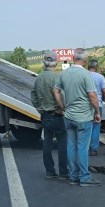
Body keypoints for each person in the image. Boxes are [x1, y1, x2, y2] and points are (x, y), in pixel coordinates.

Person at [53, 48, 102, 187]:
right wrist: (97, 112)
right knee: (82, 148)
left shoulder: (64, 73)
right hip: (84, 117)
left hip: (68, 116)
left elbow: (56, 90)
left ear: (73, 58)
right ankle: (84, 178)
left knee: (71, 146)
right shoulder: (86, 74)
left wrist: (62, 106)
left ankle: (73, 176)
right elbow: (92, 96)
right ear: (85, 61)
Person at [30, 51, 68, 180]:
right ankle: (63, 172)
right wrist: (63, 109)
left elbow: (33, 95)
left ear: (44, 62)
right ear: (56, 62)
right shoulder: (57, 78)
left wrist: (39, 108)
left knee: (47, 142)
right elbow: (61, 95)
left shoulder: (39, 77)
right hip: (57, 114)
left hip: (45, 115)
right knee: (63, 143)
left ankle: (50, 171)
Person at [88, 59, 105, 156]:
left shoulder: (83, 75)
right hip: (97, 105)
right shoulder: (100, 77)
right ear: (96, 67)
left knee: (86, 126)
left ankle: (84, 147)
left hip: (85, 105)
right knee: (96, 126)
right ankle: (93, 149)